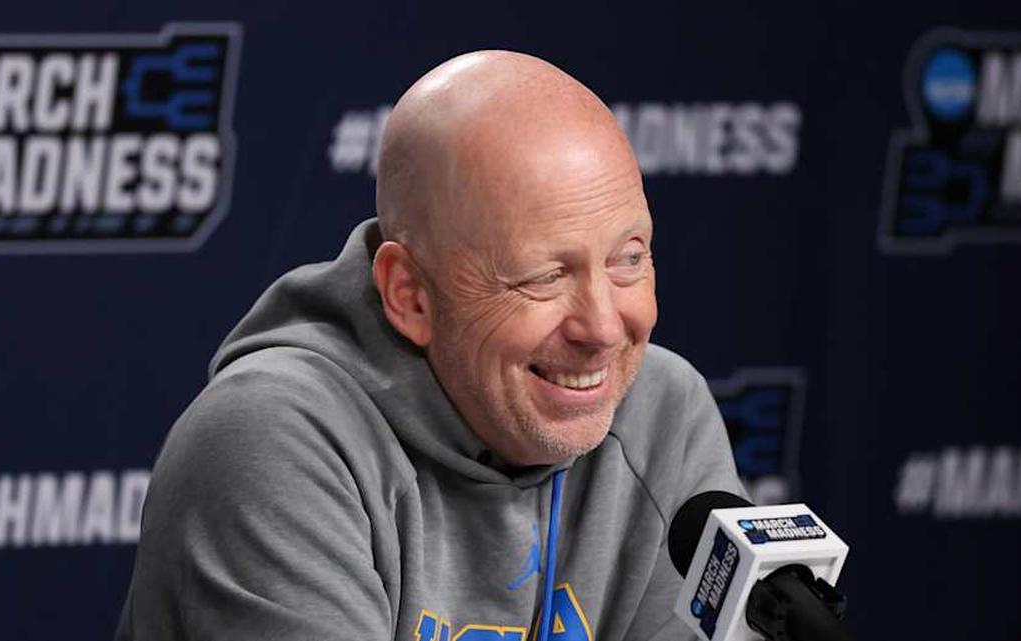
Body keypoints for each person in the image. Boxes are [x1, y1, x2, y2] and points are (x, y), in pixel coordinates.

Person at [116, 50, 744, 641]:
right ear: (411, 296)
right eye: (545, 276)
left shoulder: (661, 413)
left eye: (628, 259)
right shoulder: (273, 438)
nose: (603, 328)